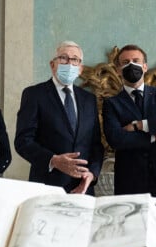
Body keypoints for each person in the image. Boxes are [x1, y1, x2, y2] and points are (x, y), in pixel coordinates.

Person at [15, 41, 103, 194]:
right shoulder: (34, 94)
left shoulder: (88, 99)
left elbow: (95, 144)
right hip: (47, 186)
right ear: (52, 64)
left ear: (80, 68)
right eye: (63, 58)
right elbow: (23, 141)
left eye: (75, 59)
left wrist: (92, 174)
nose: (69, 63)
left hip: (83, 188)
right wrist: (53, 160)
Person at [102, 44, 156, 197]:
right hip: (130, 181)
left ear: (145, 66)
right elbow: (117, 139)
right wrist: (155, 134)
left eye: (136, 60)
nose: (131, 65)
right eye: (125, 62)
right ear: (117, 70)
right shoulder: (111, 103)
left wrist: (139, 125)